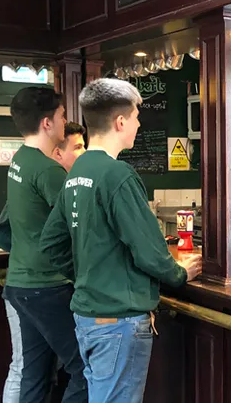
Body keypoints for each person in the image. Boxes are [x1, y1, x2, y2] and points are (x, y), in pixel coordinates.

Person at [41, 78, 202, 403]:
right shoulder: (117, 175)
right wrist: (180, 273)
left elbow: (51, 245)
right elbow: (150, 251)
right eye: (137, 116)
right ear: (120, 121)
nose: (140, 124)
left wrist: (90, 274)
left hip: (87, 316)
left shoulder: (78, 170)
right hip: (119, 322)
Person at [3, 87, 87, 403]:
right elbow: (77, 225)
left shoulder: (20, 160)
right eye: (63, 115)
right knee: (84, 368)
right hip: (48, 285)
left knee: (34, 375)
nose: (66, 121)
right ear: (47, 122)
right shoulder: (47, 169)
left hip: (21, 284)